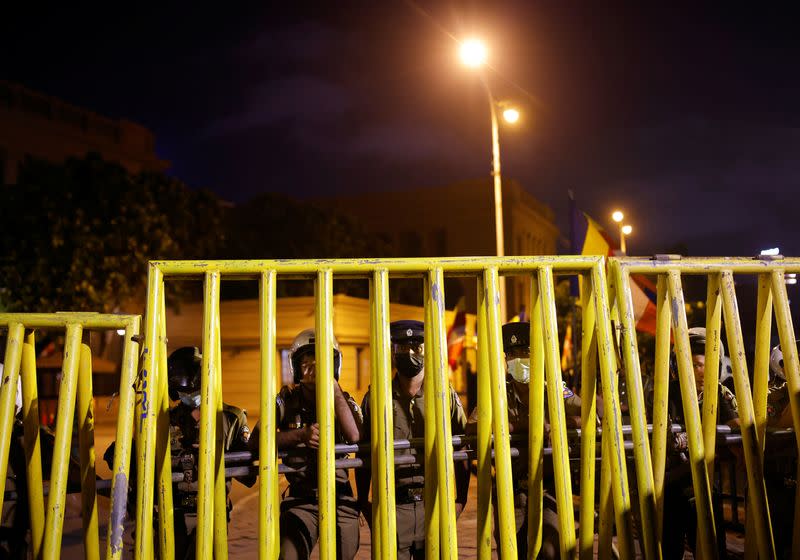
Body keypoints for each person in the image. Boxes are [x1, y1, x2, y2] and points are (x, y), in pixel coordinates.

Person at [104, 345, 254, 560]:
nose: (187, 397)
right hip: (168, 513)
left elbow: (249, 476)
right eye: (182, 392)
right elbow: (127, 455)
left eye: (192, 391)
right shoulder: (165, 419)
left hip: (212, 512)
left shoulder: (231, 418)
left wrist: (215, 454)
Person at [355, 320, 470, 560]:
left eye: (416, 347)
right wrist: (364, 501)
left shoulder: (442, 393)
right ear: (393, 351)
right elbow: (364, 452)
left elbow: (462, 444)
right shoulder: (377, 396)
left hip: (435, 504)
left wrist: (461, 499)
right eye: (401, 347)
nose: (409, 353)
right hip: (392, 506)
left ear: (425, 351)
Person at [466, 321, 581, 559]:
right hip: (511, 489)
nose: (518, 359)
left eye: (524, 352)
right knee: (512, 551)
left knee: (550, 549)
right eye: (512, 353)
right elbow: (472, 428)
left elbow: (587, 413)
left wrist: (559, 423)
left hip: (549, 487)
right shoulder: (497, 391)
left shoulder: (554, 387)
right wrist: (524, 425)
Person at [249, 328, 362, 560]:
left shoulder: (343, 399)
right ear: (296, 368)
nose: (313, 370)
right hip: (301, 499)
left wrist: (334, 389)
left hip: (340, 497)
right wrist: (300, 435)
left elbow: (354, 436)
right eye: (307, 364)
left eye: (321, 362)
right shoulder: (285, 400)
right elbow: (257, 440)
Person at [659, 327, 737, 560]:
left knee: (712, 549)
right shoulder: (666, 394)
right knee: (668, 549)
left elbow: (737, 428)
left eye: (705, 364)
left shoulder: (720, 393)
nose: (701, 372)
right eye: (694, 365)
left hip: (704, 483)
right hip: (668, 485)